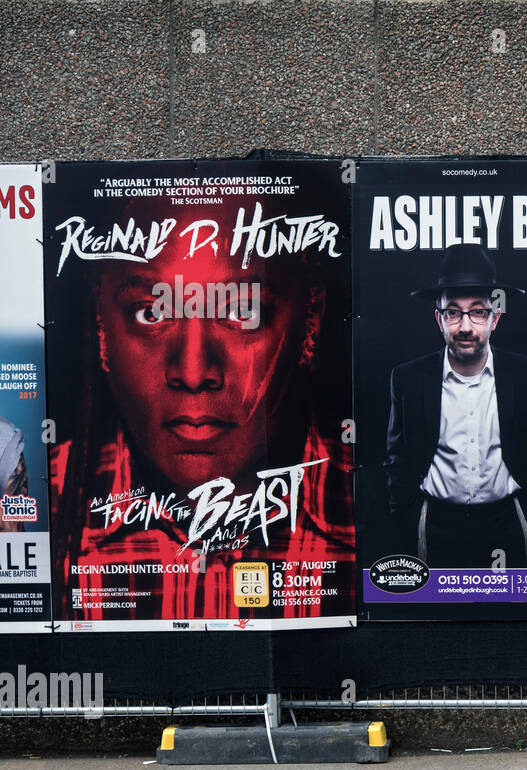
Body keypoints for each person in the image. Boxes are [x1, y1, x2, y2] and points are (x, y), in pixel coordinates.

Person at [50, 196, 355, 622]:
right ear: (101, 327)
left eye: (242, 311)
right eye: (153, 311)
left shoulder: (369, 504)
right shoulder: (43, 501)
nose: (193, 372)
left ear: (312, 316)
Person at [384, 243, 527, 569]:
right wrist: (406, 518)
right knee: (437, 616)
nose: (464, 327)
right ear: (439, 318)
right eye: (453, 312)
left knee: (514, 614)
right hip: (434, 524)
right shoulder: (408, 379)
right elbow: (397, 462)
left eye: (477, 311)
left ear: (495, 318)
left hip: (507, 521)